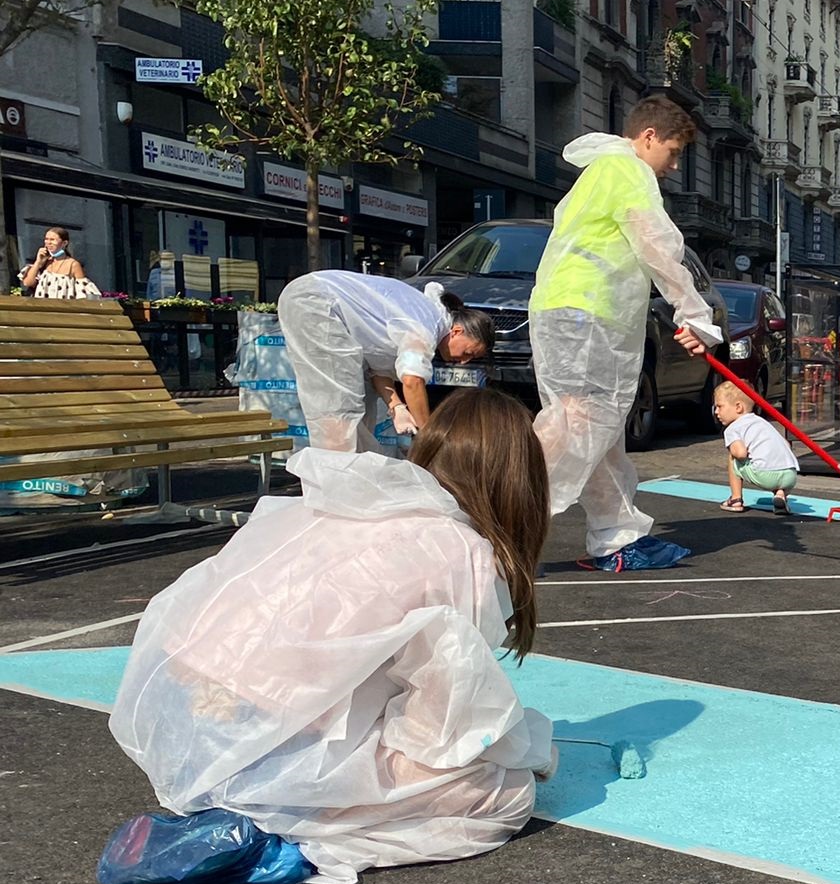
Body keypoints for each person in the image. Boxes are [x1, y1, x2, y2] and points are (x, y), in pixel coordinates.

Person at [106, 387, 557, 884]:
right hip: (266, 745)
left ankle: (258, 802)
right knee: (504, 793)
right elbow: (439, 730)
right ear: (521, 485)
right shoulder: (463, 552)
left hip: (181, 727)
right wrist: (522, 752)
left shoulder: (345, 503)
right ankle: (280, 828)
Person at [530, 93, 721, 573]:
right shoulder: (628, 172)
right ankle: (495, 522)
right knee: (579, 430)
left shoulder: (600, 173)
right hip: (592, 315)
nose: (674, 166)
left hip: (569, 312)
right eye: (673, 152)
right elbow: (657, 245)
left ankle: (617, 536)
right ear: (648, 137)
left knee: (597, 432)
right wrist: (694, 313)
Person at [275, 270, 494, 452]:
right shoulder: (426, 327)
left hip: (315, 298)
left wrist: (397, 407)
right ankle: (337, 488)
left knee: (359, 409)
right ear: (457, 331)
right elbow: (412, 381)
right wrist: (429, 437)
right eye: (469, 353)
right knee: (339, 408)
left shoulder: (427, 316)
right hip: (316, 301)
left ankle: (347, 481)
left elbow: (378, 370)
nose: (464, 362)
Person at [712, 379, 799, 514]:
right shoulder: (761, 422)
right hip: (790, 475)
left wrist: (737, 453)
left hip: (765, 476)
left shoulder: (733, 428)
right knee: (772, 462)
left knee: (733, 457)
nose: (716, 412)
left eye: (720, 406)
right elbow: (786, 444)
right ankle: (780, 494)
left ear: (738, 407)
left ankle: (736, 499)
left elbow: (740, 453)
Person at [19, 227, 100, 299]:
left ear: (64, 243)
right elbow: (27, 283)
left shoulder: (73, 264)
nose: (48, 242)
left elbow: (84, 292)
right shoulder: (45, 262)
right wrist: (38, 262)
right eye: (46, 239)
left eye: (52, 240)